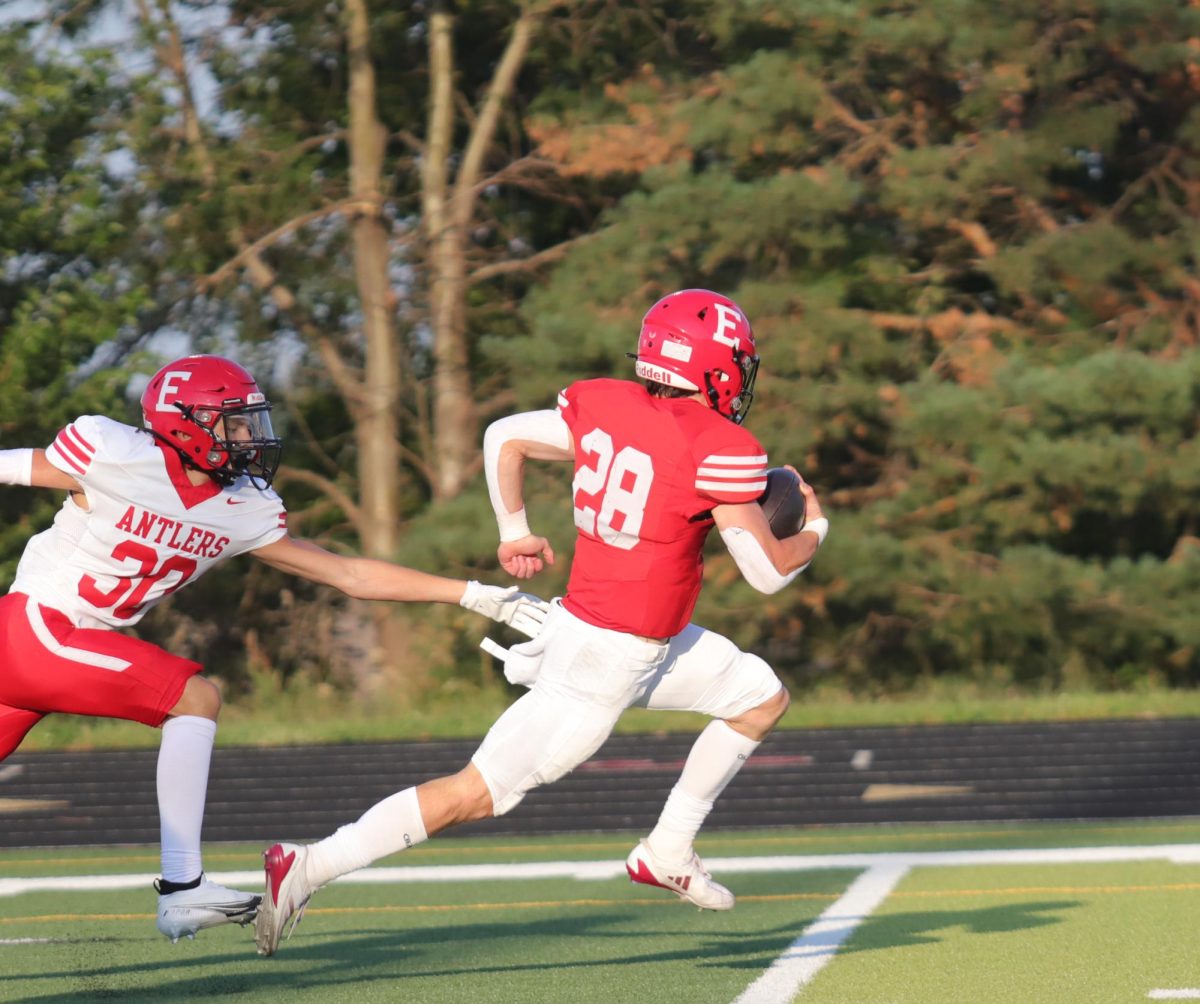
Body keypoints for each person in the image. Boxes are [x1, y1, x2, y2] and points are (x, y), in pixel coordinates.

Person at [253, 289, 829, 957]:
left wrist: (514, 532)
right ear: (718, 367)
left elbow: (507, 436)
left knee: (759, 697)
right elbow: (766, 571)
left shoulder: (607, 402)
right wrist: (814, 527)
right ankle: (310, 866)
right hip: (604, 662)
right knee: (476, 794)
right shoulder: (719, 445)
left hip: (630, 636)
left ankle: (668, 848)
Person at [0, 354, 548, 944]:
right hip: (38, 627)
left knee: (193, 699)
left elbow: (349, 574)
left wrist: (471, 594)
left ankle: (184, 889)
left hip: (57, 649)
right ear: (188, 422)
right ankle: (182, 889)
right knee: (196, 699)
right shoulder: (113, 452)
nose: (249, 437)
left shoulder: (241, 506)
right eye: (234, 424)